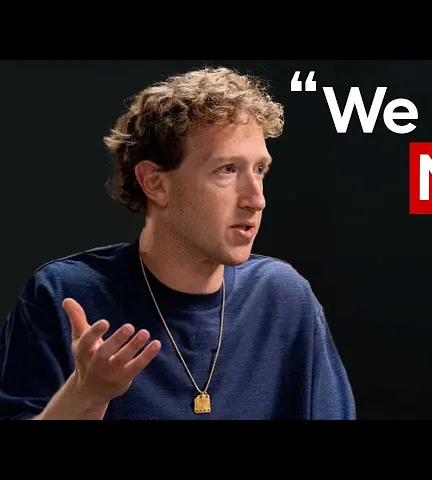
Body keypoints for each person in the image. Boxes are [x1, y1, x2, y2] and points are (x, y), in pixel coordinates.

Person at [0, 66, 356, 420]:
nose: (256, 199)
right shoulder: (63, 295)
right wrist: (85, 395)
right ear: (155, 184)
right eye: (227, 169)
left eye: (260, 170)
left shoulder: (284, 298)